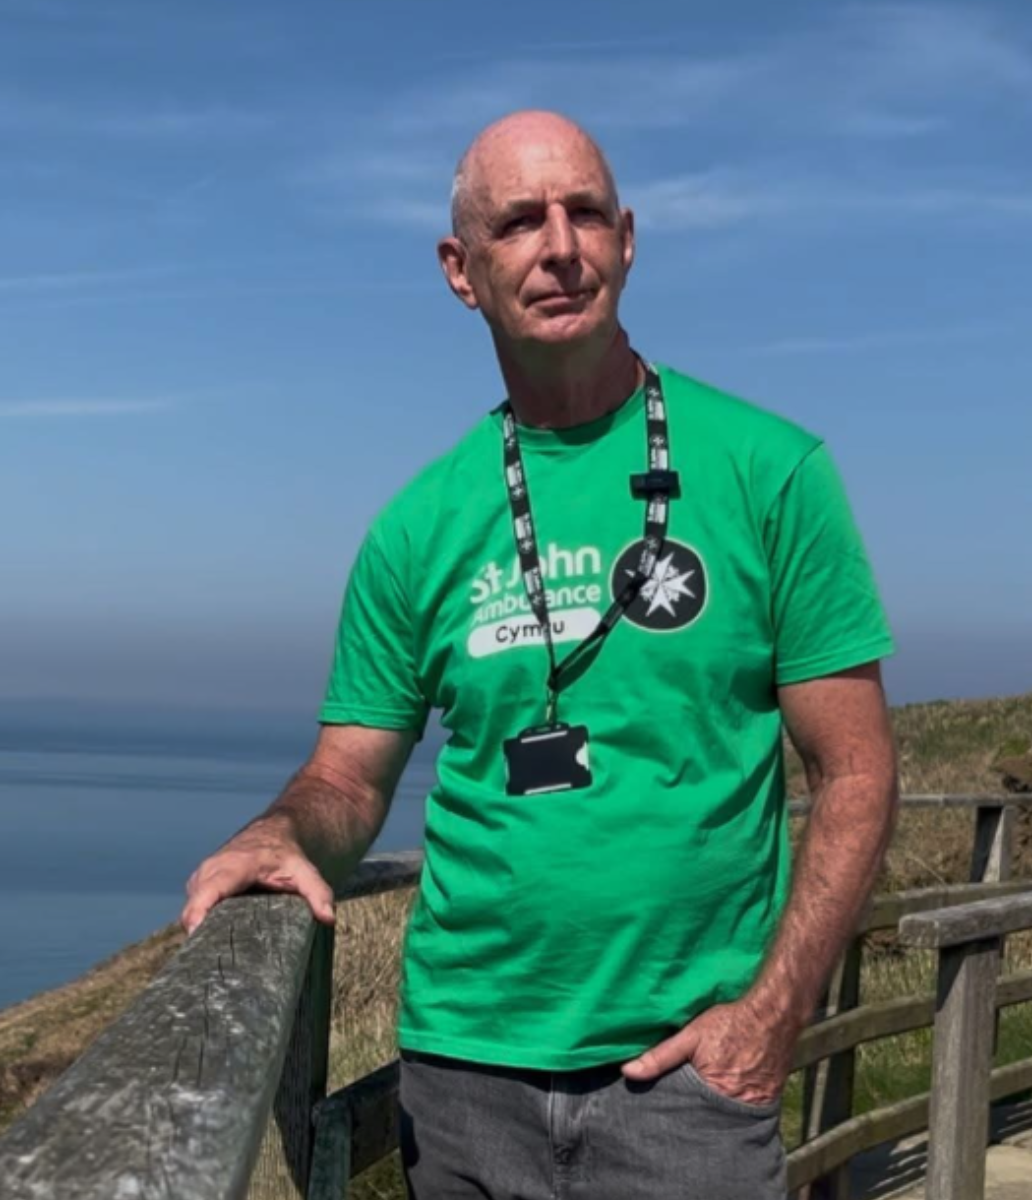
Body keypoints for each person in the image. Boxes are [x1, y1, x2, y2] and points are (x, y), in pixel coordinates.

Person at [181, 110, 899, 1199]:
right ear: (461, 270)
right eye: (519, 222)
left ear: (627, 239)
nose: (560, 246)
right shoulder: (418, 524)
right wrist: (281, 834)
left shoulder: (771, 472)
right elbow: (347, 773)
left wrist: (770, 1016)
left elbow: (855, 771)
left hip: (687, 1082)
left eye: (586, 214)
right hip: (463, 1079)